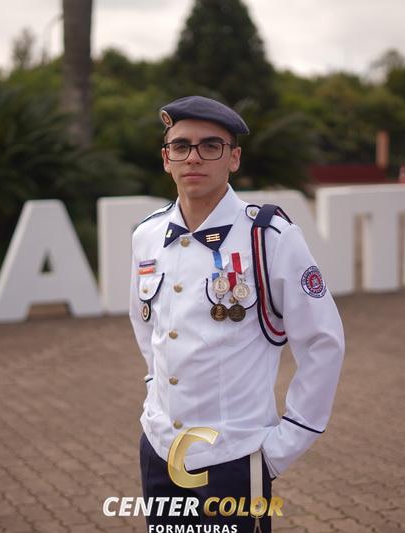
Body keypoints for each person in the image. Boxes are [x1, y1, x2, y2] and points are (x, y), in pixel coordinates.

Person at [129, 95, 345, 532]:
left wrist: (284, 445)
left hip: (233, 458)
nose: (194, 157)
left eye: (211, 146)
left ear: (234, 158)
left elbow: (322, 342)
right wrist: (155, 388)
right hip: (159, 448)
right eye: (181, 146)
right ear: (166, 159)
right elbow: (146, 325)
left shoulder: (269, 236)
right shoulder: (147, 235)